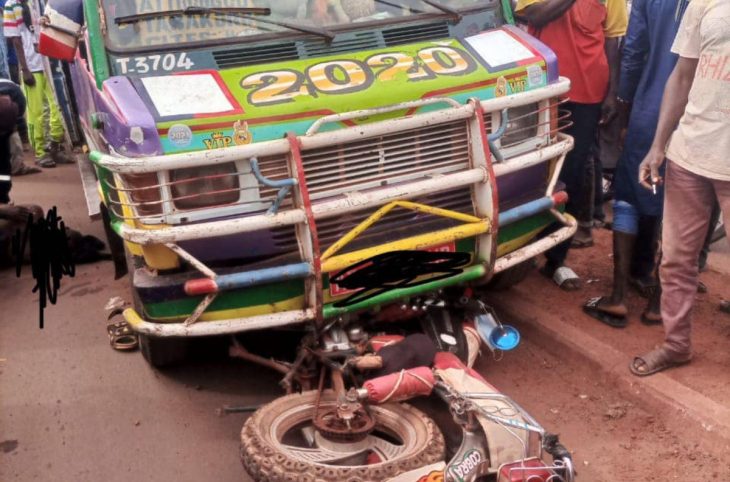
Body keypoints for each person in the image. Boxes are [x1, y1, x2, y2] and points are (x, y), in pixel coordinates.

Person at [630, 0, 730, 376]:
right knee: (676, 259)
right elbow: (682, 75)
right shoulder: (704, 4)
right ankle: (676, 345)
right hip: (690, 153)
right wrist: (658, 146)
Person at [583, 0, 690, 329]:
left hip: (651, 106)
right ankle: (658, 301)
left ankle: (618, 298)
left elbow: (634, 49)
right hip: (698, 113)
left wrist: (624, 101)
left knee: (629, 196)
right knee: (679, 206)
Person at [515, 0, 628, 291]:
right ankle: (520, 247)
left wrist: (612, 93)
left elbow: (612, 41)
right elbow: (532, 14)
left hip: (589, 93)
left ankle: (556, 259)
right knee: (529, 169)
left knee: (572, 177)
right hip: (541, 90)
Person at [3, 0, 72, 168]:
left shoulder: (36, 2)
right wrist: (24, 69)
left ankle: (55, 145)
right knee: (36, 113)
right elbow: (15, 40)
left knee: (54, 109)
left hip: (46, 62)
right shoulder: (11, 5)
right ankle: (41, 152)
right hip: (31, 67)